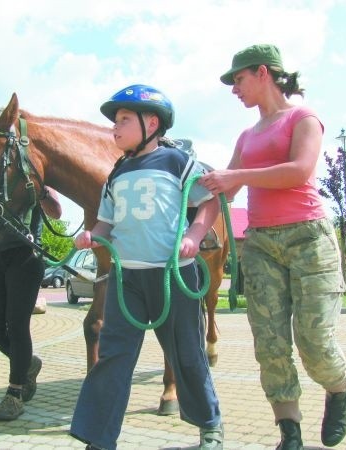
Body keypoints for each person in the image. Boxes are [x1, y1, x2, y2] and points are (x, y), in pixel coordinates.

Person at [200, 44, 346, 449]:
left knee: (313, 341)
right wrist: (195, 211)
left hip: (307, 237)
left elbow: (299, 170)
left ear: (263, 72)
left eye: (238, 79)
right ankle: (290, 433)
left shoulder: (304, 118)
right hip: (261, 245)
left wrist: (237, 175)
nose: (234, 89)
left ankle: (337, 389)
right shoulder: (247, 135)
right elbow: (224, 191)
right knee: (270, 344)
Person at [69, 84, 224, 450]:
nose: (115, 127)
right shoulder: (117, 172)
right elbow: (106, 222)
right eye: (115, 121)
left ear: (151, 122)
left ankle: (210, 426)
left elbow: (210, 200)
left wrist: (196, 232)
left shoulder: (176, 162)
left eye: (124, 119)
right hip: (127, 281)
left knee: (187, 353)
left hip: (173, 274)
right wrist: (92, 235)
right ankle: (98, 438)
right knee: (113, 357)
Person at [0, 186, 62, 421]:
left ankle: (14, 394)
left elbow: (56, 212)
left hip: (25, 257)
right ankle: (28, 363)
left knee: (17, 326)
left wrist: (42, 191)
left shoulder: (33, 180)